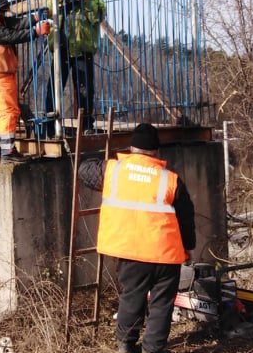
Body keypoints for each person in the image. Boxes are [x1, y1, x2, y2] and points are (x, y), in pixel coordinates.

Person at [78, 123, 196, 353]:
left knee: (132, 297)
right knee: (162, 304)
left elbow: (84, 170)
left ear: (132, 148)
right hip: (165, 254)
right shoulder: (170, 179)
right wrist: (188, 247)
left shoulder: (112, 170)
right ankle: (153, 349)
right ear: (156, 151)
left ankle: (126, 344)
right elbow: (186, 216)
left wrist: (96, 148)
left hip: (131, 253)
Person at [0, 0, 50, 163]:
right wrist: (35, 32)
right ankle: (7, 152)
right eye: (1, 12)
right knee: (10, 113)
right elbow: (10, 36)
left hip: (2, 73)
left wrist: (34, 17)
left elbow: (15, 24)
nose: (3, 15)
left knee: (5, 113)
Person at [45, 0, 106, 137]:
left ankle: (86, 124)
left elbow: (98, 15)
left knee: (84, 89)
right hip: (61, 49)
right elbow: (49, 11)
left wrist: (83, 0)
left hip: (82, 50)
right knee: (54, 88)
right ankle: (50, 125)